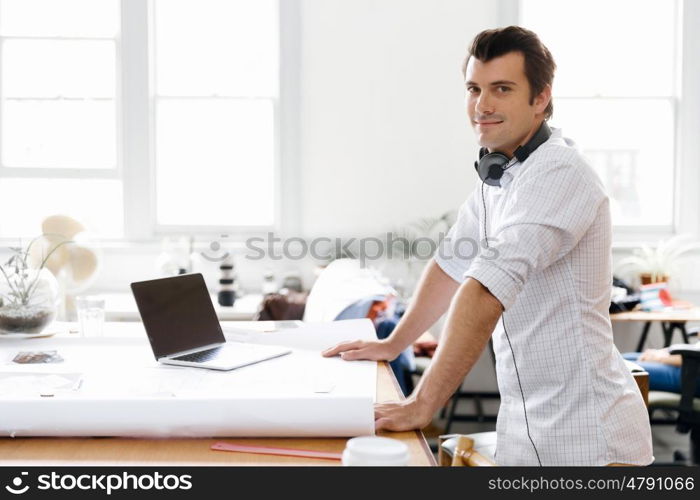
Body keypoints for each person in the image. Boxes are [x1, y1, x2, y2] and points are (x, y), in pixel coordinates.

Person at [322, 26, 653, 466]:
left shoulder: (558, 174)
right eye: (474, 88)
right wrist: (394, 343)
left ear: (540, 98)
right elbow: (449, 266)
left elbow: (482, 290)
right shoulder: (499, 178)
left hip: (588, 438)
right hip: (526, 427)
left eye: (501, 89)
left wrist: (423, 404)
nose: (482, 105)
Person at [624, 348, 700, 397]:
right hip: (688, 360)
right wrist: (660, 352)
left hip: (690, 373)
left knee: (623, 369)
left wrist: (658, 358)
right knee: (620, 358)